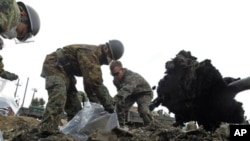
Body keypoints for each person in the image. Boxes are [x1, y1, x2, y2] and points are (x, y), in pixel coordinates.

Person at [38, 40, 124, 135]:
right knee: (59, 96)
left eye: (112, 58)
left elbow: (89, 86)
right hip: (55, 65)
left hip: (67, 73)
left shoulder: (95, 59)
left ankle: (71, 134)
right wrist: (109, 105)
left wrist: (98, 106)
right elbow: (95, 82)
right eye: (110, 56)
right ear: (105, 48)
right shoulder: (90, 53)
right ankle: (46, 131)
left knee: (75, 110)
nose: (109, 59)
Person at [0, 0, 40, 80]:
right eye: (21, 32)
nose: (16, 35)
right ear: (23, 14)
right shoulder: (12, 14)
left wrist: (1, 71)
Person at [110, 60, 153, 126]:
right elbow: (121, 92)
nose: (115, 77)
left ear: (122, 70)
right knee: (119, 106)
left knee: (143, 111)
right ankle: (119, 127)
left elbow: (127, 89)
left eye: (116, 74)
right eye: (113, 75)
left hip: (143, 93)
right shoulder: (115, 81)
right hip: (131, 95)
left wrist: (114, 100)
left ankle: (151, 127)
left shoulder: (131, 76)